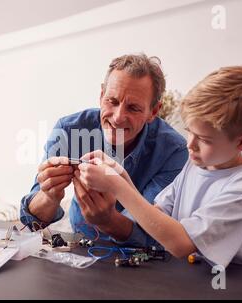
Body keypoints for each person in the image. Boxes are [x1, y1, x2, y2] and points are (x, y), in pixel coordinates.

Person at [77, 66, 242, 268]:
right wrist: (121, 175)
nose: (190, 144)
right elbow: (156, 215)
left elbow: (180, 244)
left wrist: (116, 186)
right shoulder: (196, 165)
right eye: (190, 132)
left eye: (204, 140)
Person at [20, 53, 188, 247]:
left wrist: (108, 221)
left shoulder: (173, 151)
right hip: (80, 244)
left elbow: (156, 233)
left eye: (133, 108)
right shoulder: (69, 129)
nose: (118, 118)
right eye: (112, 101)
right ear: (101, 96)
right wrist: (48, 196)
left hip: (143, 260)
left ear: (154, 111)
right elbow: (31, 221)